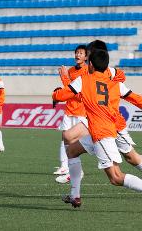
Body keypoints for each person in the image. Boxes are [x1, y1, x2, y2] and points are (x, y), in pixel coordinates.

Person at [52, 48, 142, 214]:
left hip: (102, 133)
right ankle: (75, 195)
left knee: (116, 177)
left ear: (90, 64)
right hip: (109, 128)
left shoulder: (83, 80)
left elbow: (60, 96)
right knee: (71, 151)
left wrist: (60, 85)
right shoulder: (115, 82)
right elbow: (138, 100)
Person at [54, 45, 87, 183]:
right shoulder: (71, 70)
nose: (78, 55)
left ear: (86, 57)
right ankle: (64, 166)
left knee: (79, 142)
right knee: (64, 137)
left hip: (81, 111)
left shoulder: (87, 72)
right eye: (76, 52)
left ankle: (77, 169)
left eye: (81, 53)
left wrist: (65, 79)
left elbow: (79, 94)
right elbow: (68, 92)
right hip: (69, 110)